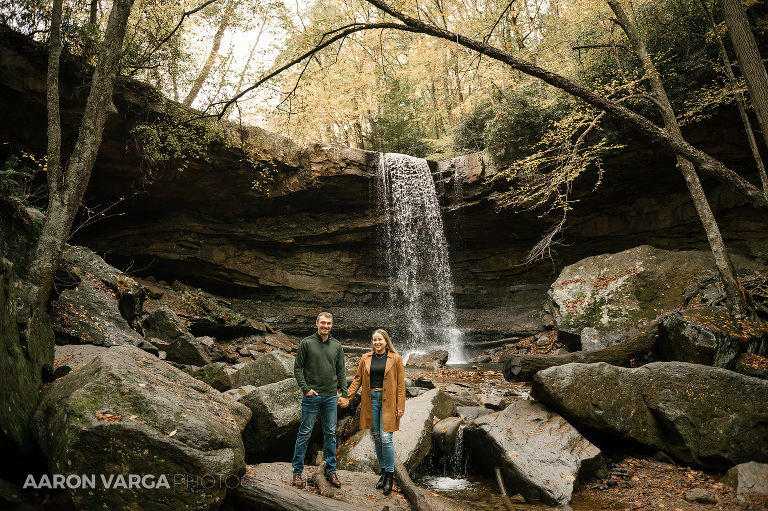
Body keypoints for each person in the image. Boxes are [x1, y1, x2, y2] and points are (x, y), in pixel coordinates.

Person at [343, 329, 405, 495]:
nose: (377, 342)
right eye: (374, 340)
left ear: (386, 341)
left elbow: (400, 384)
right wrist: (347, 397)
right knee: (377, 437)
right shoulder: (365, 358)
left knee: (386, 439)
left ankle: (390, 477)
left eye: (380, 340)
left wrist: (401, 406)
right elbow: (357, 380)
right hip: (371, 400)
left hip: (389, 402)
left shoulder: (396, 358)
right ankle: (383, 473)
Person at [292, 312, 348, 489]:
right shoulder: (306, 343)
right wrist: (306, 389)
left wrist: (344, 394)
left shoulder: (337, 346)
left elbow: (341, 372)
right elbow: (298, 369)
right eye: (323, 323)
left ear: (332, 325)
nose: (326, 326)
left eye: (329, 323)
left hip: (331, 397)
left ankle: (331, 472)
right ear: (316, 323)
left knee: (330, 434)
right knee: (304, 433)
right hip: (312, 397)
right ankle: (297, 473)